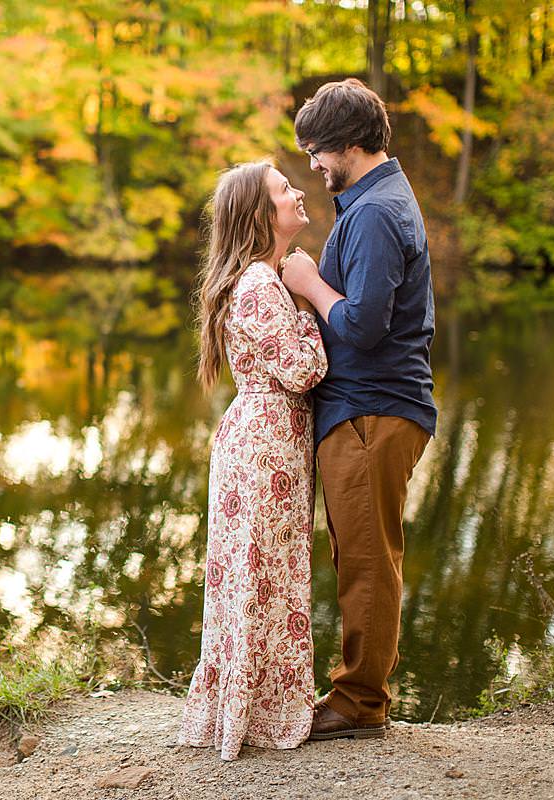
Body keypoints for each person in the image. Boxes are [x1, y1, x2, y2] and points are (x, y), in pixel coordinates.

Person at [280, 78, 436, 741]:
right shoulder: (372, 202)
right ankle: (355, 693)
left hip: (374, 411)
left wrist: (310, 283)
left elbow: (367, 326)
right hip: (366, 409)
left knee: (368, 562)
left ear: (348, 143)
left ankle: (359, 703)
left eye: (316, 150)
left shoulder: (373, 214)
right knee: (360, 556)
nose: (312, 165)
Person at [177, 160, 328, 761]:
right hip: (264, 446)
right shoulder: (262, 285)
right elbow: (302, 369)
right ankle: (257, 711)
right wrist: (313, 307)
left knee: (258, 576)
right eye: (283, 189)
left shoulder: (256, 280)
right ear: (260, 215)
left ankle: (252, 705)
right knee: (262, 576)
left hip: (263, 442)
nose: (296, 193)